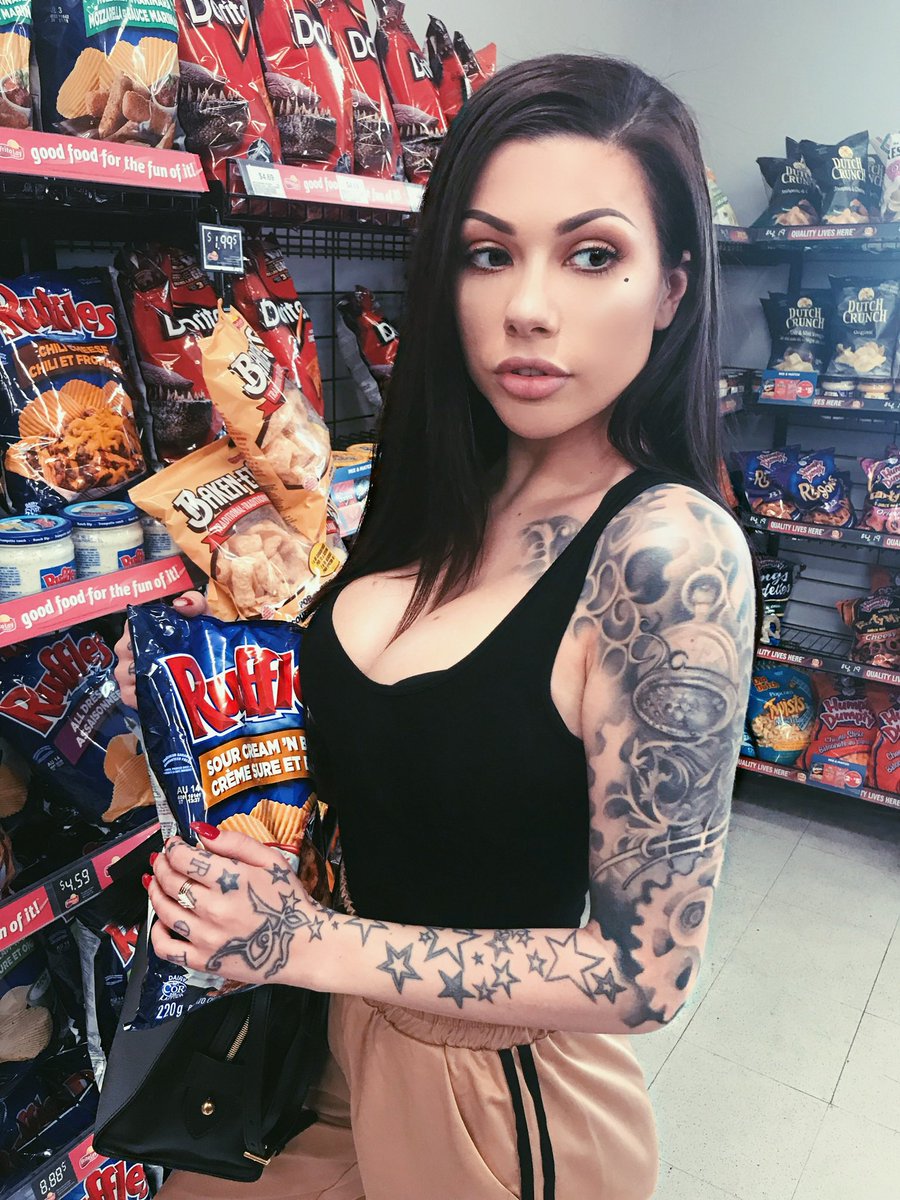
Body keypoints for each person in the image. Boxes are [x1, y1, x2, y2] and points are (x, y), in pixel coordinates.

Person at [116, 53, 755, 1200]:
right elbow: (390, 759)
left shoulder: (664, 558)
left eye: (592, 255)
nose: (528, 306)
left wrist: (309, 943)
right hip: (322, 1049)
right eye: (488, 252)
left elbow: (642, 975)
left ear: (672, 289)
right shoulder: (434, 494)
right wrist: (201, 696)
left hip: (497, 1103)